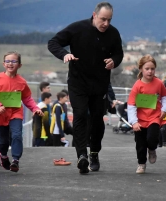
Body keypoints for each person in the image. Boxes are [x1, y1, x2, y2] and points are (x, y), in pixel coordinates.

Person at [48, 2, 123, 174]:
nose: (106, 24)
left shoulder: (113, 33)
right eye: (103, 19)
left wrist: (114, 61)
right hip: (78, 83)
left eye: (109, 20)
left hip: (99, 85)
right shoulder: (77, 28)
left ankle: (94, 153)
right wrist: (64, 54)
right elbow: (53, 43)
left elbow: (119, 53)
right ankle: (82, 155)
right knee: (80, 115)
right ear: (94, 15)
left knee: (97, 121)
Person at [0, 51, 43, 172]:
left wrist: (35, 108)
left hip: (15, 113)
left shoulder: (22, 82)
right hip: (0, 114)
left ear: (19, 65)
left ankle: (15, 160)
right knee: (3, 140)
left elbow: (27, 98)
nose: (10, 64)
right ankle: (3, 156)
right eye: (7, 61)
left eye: (14, 61)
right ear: (3, 64)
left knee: (17, 135)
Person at [127, 55, 166, 174]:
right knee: (140, 144)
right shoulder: (137, 86)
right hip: (140, 120)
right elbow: (131, 105)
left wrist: (164, 109)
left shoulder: (159, 83)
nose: (150, 71)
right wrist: (134, 122)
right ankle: (141, 164)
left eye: (152, 69)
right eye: (147, 69)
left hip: (154, 117)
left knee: (152, 138)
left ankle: (152, 149)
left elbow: (165, 96)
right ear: (141, 69)